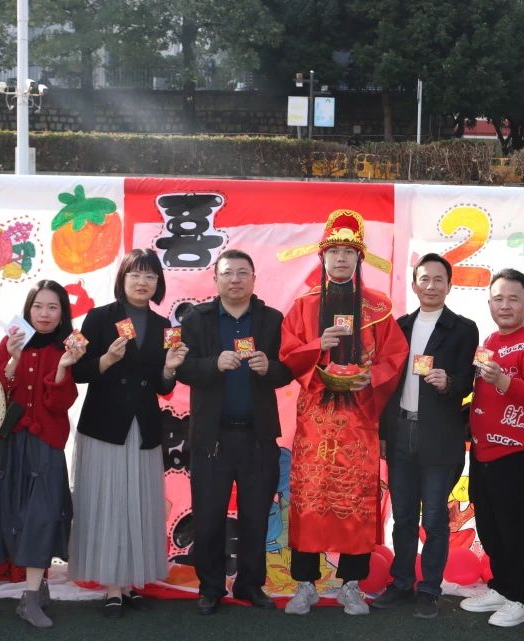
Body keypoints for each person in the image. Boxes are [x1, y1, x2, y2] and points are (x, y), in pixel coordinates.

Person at [279, 209, 408, 616]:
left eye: (348, 252)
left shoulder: (378, 308)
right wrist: (318, 345)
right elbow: (288, 353)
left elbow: (395, 356)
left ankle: (351, 584)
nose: (340, 258)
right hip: (315, 421)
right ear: (322, 257)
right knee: (309, 500)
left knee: (356, 501)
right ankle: (305, 584)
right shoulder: (304, 306)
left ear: (359, 258)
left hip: (358, 420)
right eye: (333, 251)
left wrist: (370, 377)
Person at [176, 250, 294, 615]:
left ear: (255, 279)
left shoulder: (272, 320)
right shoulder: (197, 319)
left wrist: (269, 368)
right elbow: (182, 368)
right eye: (228, 273)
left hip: (258, 436)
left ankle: (250, 585)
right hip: (212, 438)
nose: (235, 280)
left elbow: (288, 369)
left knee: (256, 515)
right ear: (216, 279)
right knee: (208, 516)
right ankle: (210, 588)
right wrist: (214, 364)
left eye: (243, 273)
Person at [71, 249, 188, 617]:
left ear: (158, 283)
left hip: (143, 425)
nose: (142, 282)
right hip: (105, 425)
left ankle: (131, 581)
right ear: (122, 279)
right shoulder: (99, 317)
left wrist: (169, 369)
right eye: (135, 274)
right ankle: (112, 586)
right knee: (108, 503)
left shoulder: (165, 326)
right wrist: (107, 359)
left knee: (138, 503)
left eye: (150, 276)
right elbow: (78, 371)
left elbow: (163, 386)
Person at [373, 253, 479, 619]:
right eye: (424, 279)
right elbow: (386, 383)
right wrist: (383, 433)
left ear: (449, 285)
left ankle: (429, 588)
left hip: (440, 435)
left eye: (438, 280)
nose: (431, 286)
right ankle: (401, 582)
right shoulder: (399, 326)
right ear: (414, 284)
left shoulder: (463, 329)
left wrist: (449, 382)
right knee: (402, 514)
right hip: (400, 429)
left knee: (434, 517)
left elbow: (468, 381)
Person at [458, 268, 524, 627]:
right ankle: (501, 587)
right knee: (489, 525)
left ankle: (520, 598)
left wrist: (503, 379)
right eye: (498, 299)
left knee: (515, 528)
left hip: (517, 453)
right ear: (489, 303)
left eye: (513, 299)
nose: (505, 305)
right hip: (482, 451)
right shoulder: (488, 342)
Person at [0, 280, 82, 628]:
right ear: (28, 309)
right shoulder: (12, 340)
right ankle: (35, 588)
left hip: (46, 444)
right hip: (11, 442)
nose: (44, 314)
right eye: (38, 306)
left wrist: (63, 368)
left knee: (42, 513)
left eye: (52, 307)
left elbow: (60, 404)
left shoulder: (68, 347)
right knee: (14, 513)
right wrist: (13, 360)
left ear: (62, 313)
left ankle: (30, 597)